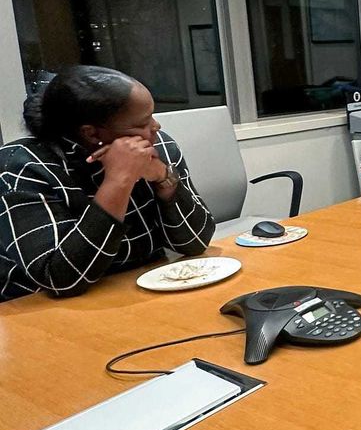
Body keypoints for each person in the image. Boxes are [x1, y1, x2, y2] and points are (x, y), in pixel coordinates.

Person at [0, 65, 215, 301]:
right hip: (37, 311)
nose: (156, 127)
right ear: (91, 133)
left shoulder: (156, 147)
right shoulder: (23, 166)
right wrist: (117, 182)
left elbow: (195, 243)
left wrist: (164, 178)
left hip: (137, 290)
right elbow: (60, 279)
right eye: (142, 123)